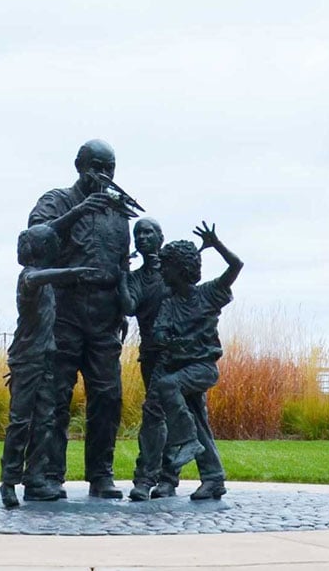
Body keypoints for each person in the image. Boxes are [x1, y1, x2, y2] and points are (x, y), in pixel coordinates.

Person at [27, 139, 130, 498]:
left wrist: (122, 303)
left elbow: (121, 264)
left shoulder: (118, 213)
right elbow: (34, 241)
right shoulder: (56, 201)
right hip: (65, 310)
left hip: (104, 315)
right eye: (97, 166)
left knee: (108, 395)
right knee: (54, 396)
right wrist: (79, 211)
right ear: (78, 165)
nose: (104, 174)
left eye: (110, 168)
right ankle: (50, 475)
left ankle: (100, 474)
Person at [130, 222, 243, 501]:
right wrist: (165, 338)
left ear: (179, 269)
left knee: (172, 394)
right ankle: (212, 478)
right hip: (171, 365)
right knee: (190, 419)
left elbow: (236, 266)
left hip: (199, 369)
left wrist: (215, 243)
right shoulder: (169, 301)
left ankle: (186, 448)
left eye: (166, 268)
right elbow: (159, 331)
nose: (162, 272)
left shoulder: (208, 294)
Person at [0, 225, 103, 507]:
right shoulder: (29, 278)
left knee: (45, 421)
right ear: (42, 248)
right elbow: (36, 278)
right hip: (27, 359)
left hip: (46, 358)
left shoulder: (46, 283)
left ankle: (35, 480)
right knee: (21, 422)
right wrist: (70, 273)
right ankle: (8, 482)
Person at [118, 218, 182, 500]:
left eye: (148, 232)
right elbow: (130, 307)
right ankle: (150, 478)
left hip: (178, 355)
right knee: (156, 415)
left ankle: (162, 479)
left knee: (173, 416)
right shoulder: (135, 278)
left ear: (161, 236)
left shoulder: (176, 272)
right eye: (138, 234)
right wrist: (122, 272)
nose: (143, 237)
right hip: (152, 355)